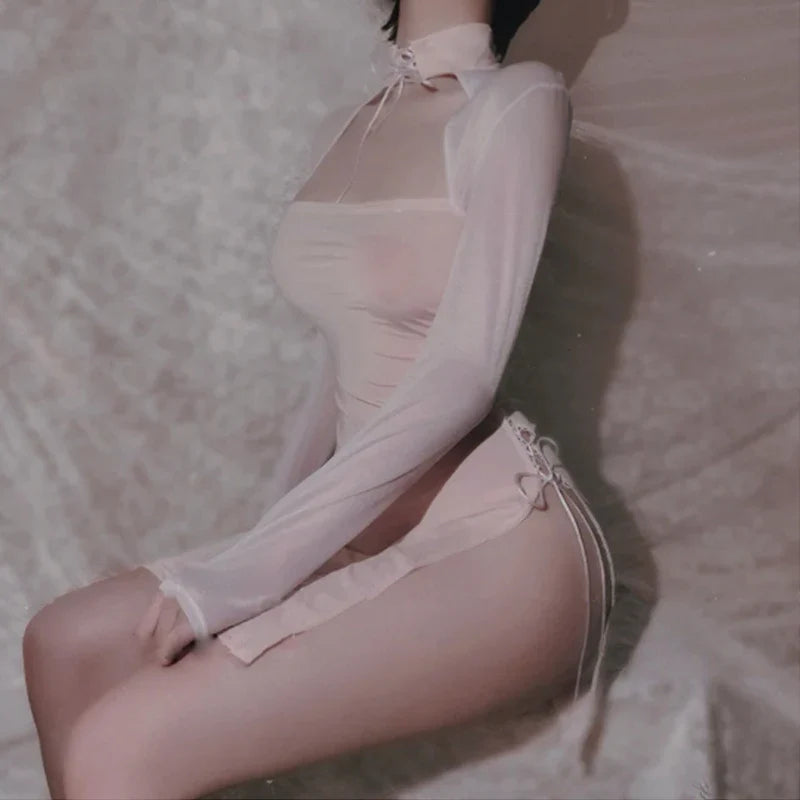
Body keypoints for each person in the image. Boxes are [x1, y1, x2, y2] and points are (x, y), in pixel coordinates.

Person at [22, 1, 616, 797]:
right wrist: (270, 548)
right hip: (359, 530)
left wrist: (247, 577)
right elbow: (334, 372)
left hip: (498, 541)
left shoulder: (519, 101)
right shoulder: (353, 123)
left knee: (115, 749)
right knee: (60, 643)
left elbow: (462, 376)